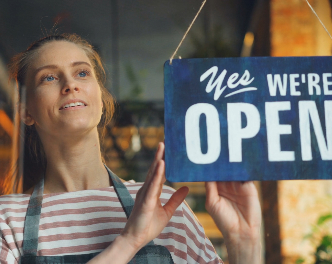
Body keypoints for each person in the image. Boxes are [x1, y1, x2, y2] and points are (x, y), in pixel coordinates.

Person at [0, 34, 262, 264]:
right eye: (49, 77)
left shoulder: (167, 206)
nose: (70, 84)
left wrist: (244, 244)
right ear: (26, 112)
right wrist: (130, 240)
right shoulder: (7, 219)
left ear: (101, 100)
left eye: (82, 72)